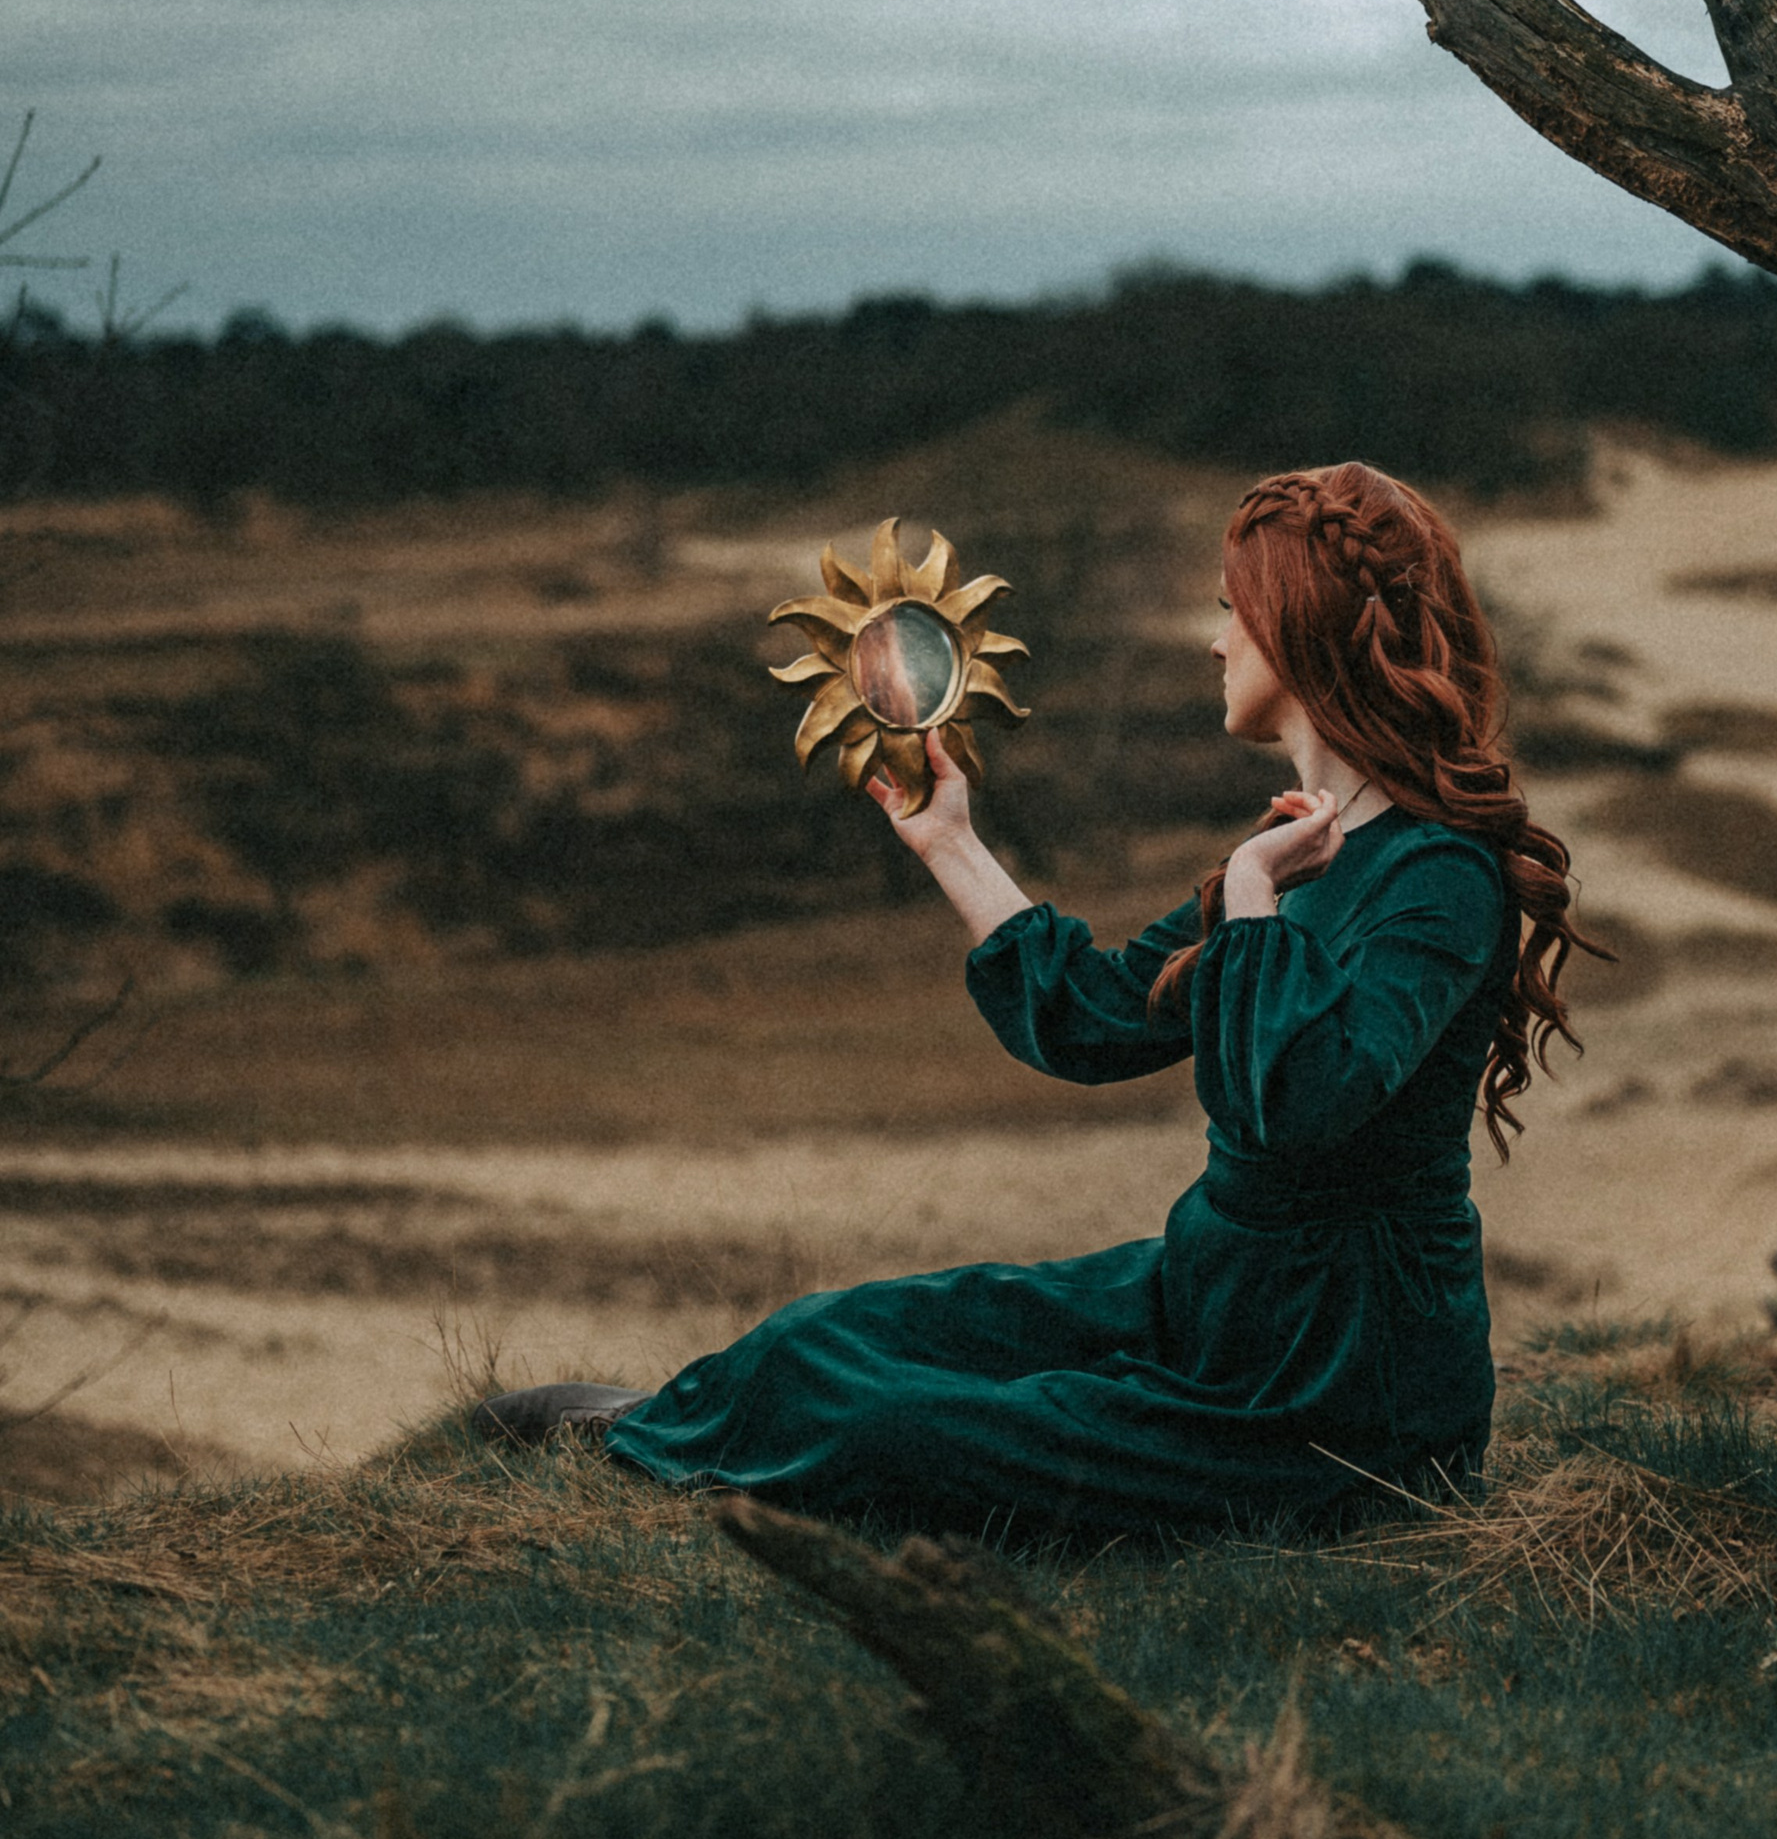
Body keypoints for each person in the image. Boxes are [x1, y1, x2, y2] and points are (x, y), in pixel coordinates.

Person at [473, 460, 1589, 1535]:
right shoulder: (1297, 846)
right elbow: (1096, 1017)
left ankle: (663, 1447)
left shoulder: (1438, 875)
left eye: (1232, 612)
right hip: (1209, 1298)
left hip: (1337, 1397)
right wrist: (951, 843)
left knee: (891, 1433)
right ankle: (660, 1424)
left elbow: (1300, 1100)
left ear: (1298, 625)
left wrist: (1252, 898)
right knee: (831, 1334)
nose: (1215, 640)